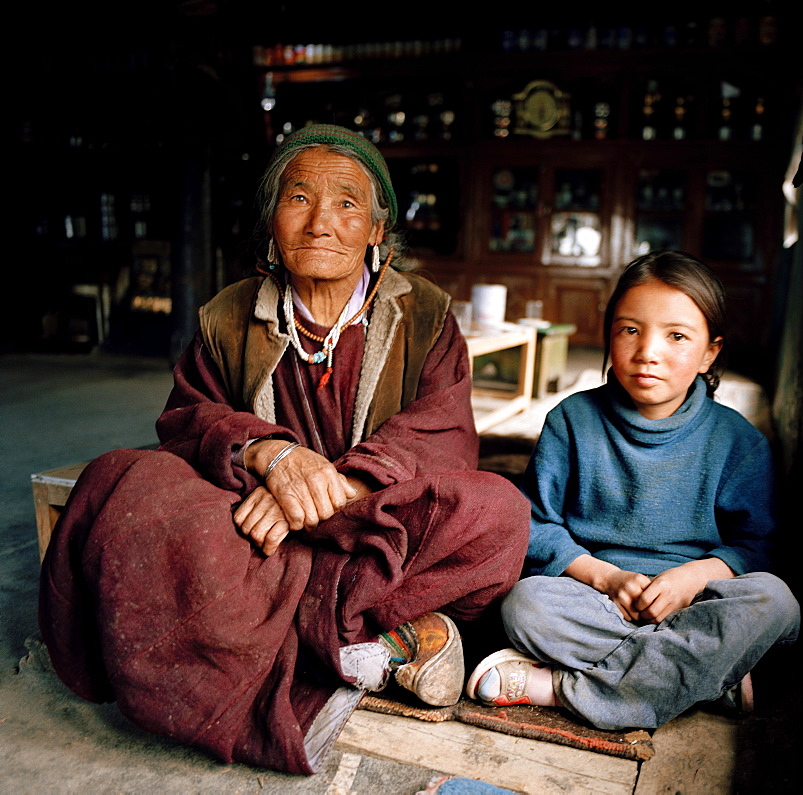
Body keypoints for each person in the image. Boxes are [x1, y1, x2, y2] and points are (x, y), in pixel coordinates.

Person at [39, 124, 530, 775]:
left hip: (375, 519)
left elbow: (443, 434)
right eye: (299, 198)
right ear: (273, 220)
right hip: (255, 525)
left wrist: (344, 485)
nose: (322, 221)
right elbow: (189, 417)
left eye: (348, 203)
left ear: (378, 230)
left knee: (498, 512)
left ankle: (271, 627)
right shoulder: (227, 314)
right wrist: (270, 457)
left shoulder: (426, 315)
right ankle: (374, 633)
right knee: (121, 481)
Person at [465, 250, 800, 730]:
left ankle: (560, 689)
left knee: (776, 603)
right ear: (609, 334)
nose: (648, 352)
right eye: (629, 329)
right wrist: (606, 578)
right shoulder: (572, 422)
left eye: (677, 336)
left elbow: (762, 544)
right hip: (598, 602)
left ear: (711, 351)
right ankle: (704, 678)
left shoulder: (737, 441)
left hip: (697, 603)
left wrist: (691, 580)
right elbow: (536, 525)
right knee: (525, 605)